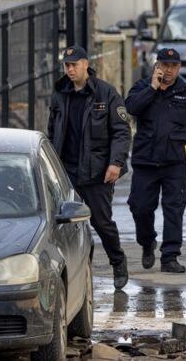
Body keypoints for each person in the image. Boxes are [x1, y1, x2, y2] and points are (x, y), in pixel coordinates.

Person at [47, 46, 131, 289]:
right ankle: (74, 273)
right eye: (67, 65)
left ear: (86, 64)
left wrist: (116, 163)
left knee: (102, 223)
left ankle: (118, 261)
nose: (70, 69)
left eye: (74, 64)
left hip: (96, 172)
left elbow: (121, 132)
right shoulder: (60, 93)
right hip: (66, 172)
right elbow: (52, 131)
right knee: (64, 225)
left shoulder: (105, 94)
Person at [125, 48, 186, 274]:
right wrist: (152, 88)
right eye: (164, 65)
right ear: (156, 66)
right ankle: (147, 242)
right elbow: (131, 107)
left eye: (173, 66)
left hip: (175, 162)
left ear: (179, 68)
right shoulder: (142, 87)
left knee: (174, 209)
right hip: (146, 161)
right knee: (140, 207)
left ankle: (169, 257)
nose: (168, 70)